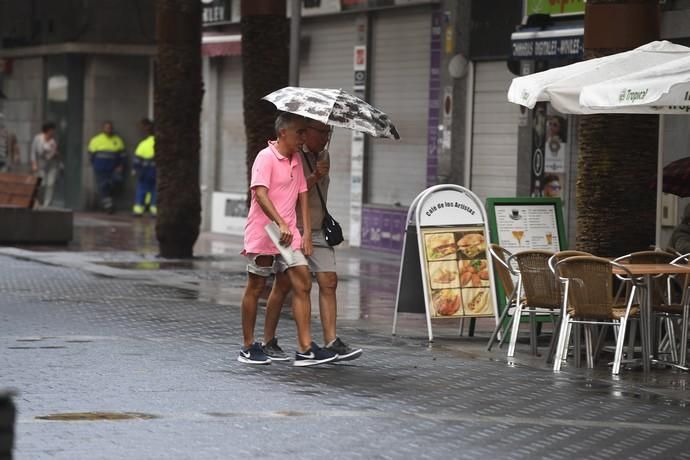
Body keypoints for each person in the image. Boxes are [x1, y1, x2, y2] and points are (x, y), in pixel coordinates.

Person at [238, 112, 337, 367]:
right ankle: (248, 346)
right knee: (256, 286)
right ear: (283, 133)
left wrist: (302, 234)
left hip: (289, 235)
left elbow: (303, 194)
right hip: (265, 232)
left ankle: (305, 348)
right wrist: (280, 222)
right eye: (299, 133)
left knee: (302, 281)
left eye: (305, 133)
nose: (303, 138)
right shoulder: (266, 157)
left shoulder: (296, 159)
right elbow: (260, 194)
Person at [262, 119, 362, 362]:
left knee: (329, 280)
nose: (326, 137)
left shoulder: (324, 154)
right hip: (293, 228)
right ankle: (269, 341)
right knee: (285, 285)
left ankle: (331, 341)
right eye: (321, 132)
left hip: (317, 227)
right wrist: (316, 176)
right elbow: (290, 192)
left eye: (329, 133)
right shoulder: (294, 153)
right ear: (305, 134)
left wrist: (320, 171)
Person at [88, 121, 126, 213]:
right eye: (107, 128)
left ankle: (108, 201)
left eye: (110, 128)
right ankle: (108, 205)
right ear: (103, 129)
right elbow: (91, 155)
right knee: (103, 186)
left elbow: (122, 155)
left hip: (114, 168)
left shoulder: (117, 140)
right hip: (100, 168)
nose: (109, 129)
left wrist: (121, 165)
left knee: (117, 181)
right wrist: (96, 164)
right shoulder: (96, 140)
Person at [30, 122, 60, 207]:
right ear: (47, 130)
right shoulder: (38, 138)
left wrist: (55, 153)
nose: (53, 132)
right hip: (41, 163)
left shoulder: (53, 141)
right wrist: (34, 164)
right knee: (41, 183)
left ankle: (47, 204)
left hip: (52, 164)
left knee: (50, 184)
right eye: (51, 130)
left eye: (53, 130)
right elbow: (33, 152)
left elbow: (55, 153)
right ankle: (38, 200)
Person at [132, 118, 156, 217]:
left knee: (142, 190)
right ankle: (154, 210)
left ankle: (138, 210)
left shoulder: (143, 144)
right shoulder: (160, 143)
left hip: (144, 171)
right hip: (155, 171)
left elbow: (137, 160)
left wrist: (136, 170)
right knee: (155, 190)